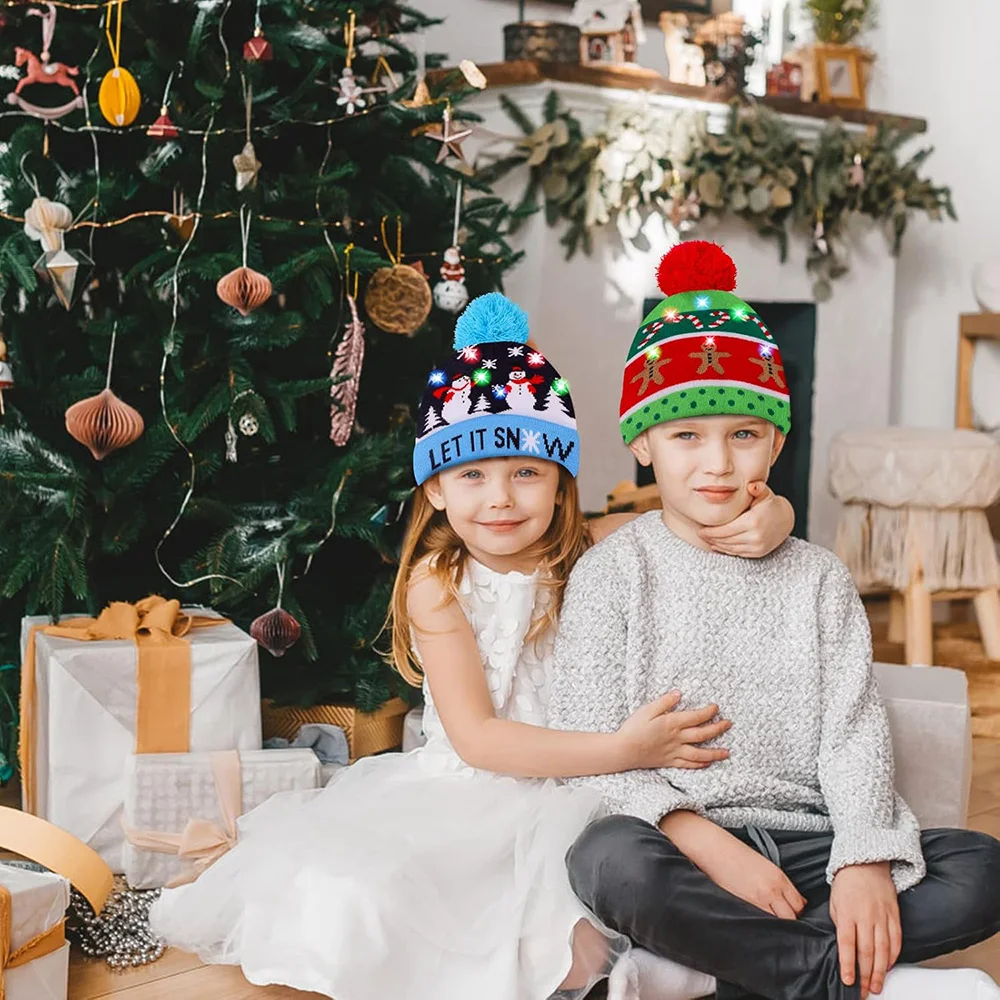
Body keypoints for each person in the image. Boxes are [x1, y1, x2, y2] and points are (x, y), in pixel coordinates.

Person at [149, 291, 795, 1000]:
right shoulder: (439, 583)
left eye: (527, 472)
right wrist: (624, 750)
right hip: (475, 793)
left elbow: (701, 518)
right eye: (472, 476)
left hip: (584, 795)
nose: (501, 500)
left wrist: (776, 512)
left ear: (559, 482)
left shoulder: (593, 551)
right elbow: (481, 739)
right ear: (434, 489)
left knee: (591, 932)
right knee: (372, 904)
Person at [547, 242, 1000, 1000]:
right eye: (687, 436)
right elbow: (592, 744)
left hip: (807, 842)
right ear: (643, 444)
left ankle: (710, 964)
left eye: (742, 435)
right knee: (605, 861)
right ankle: (828, 976)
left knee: (981, 870)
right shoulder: (612, 573)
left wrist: (860, 860)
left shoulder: (818, 578)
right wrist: (713, 848)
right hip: (676, 844)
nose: (717, 464)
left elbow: (854, 734)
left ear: (776, 441)